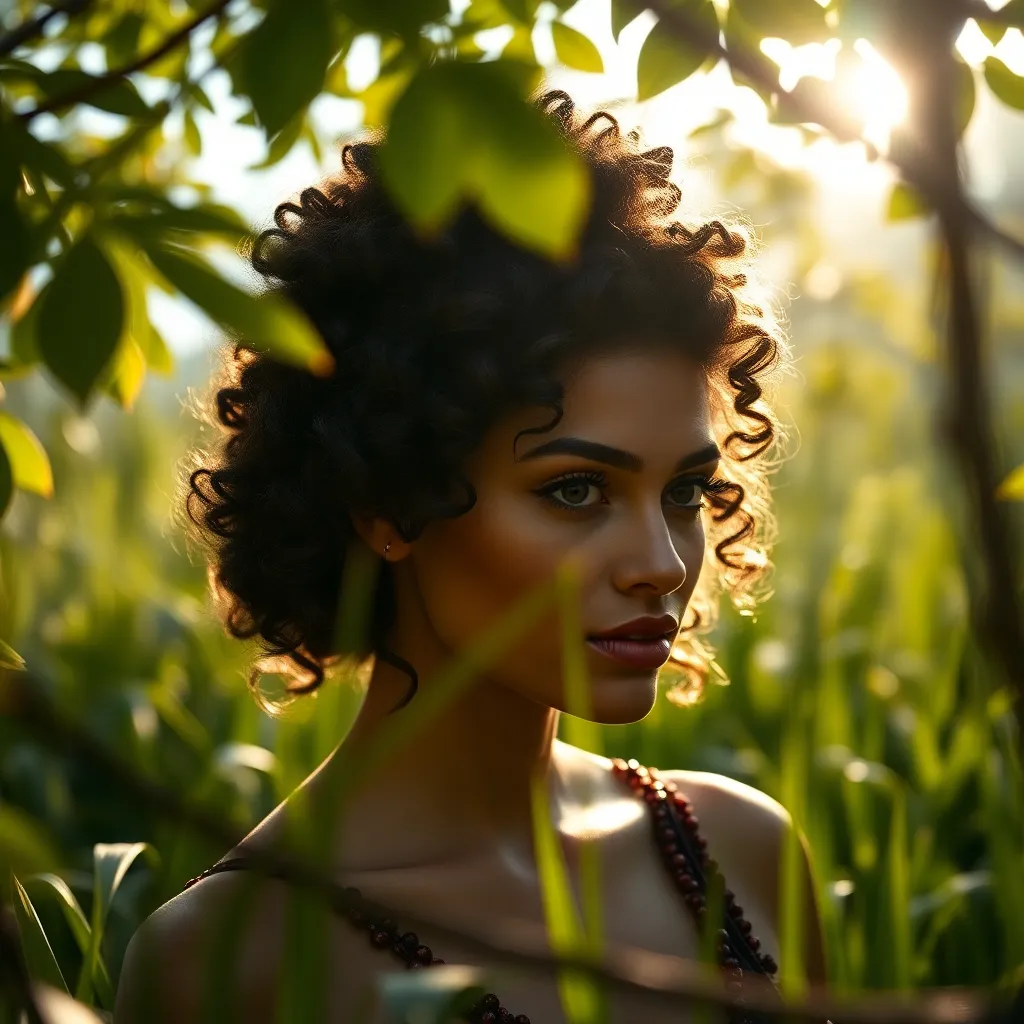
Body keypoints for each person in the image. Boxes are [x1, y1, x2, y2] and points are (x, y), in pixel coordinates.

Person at [113, 89, 826, 1024]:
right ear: (387, 502)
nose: (661, 563)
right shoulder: (230, 957)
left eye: (684, 491)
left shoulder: (744, 850)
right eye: (576, 490)